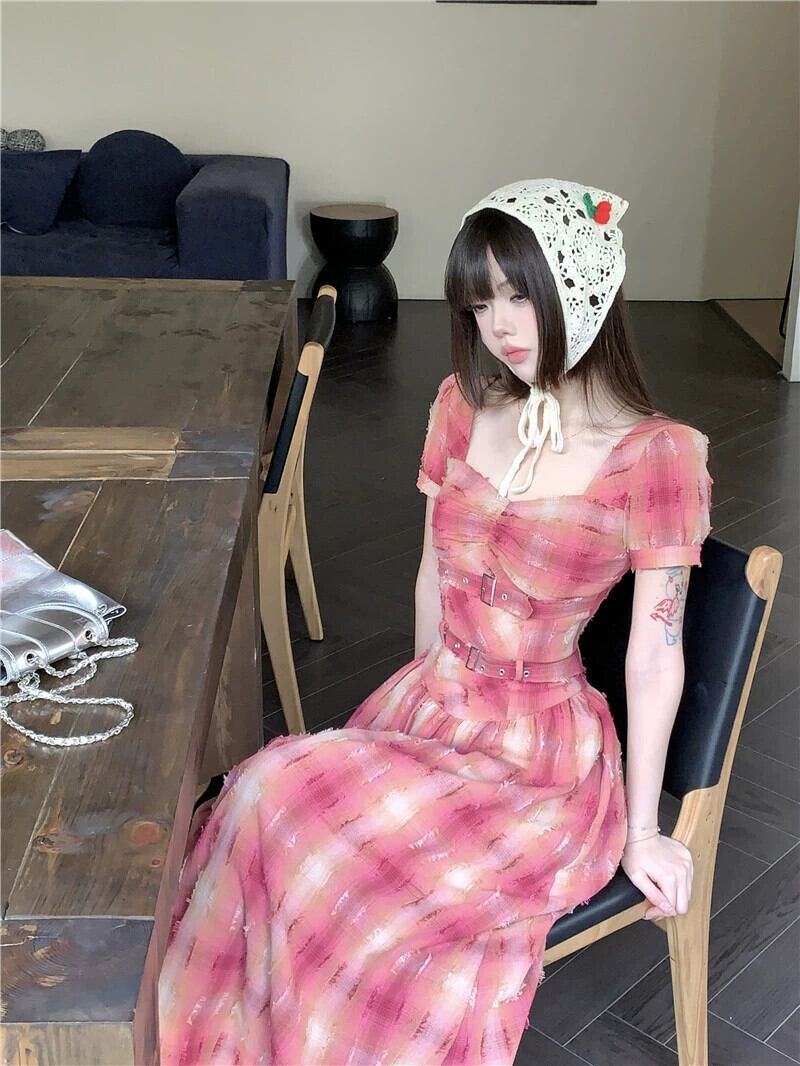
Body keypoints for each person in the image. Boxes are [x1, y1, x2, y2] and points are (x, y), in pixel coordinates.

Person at [158, 178, 713, 1065]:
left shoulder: (658, 455)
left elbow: (655, 654)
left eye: (519, 294)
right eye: (480, 302)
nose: (499, 325)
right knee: (264, 798)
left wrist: (646, 833)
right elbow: (432, 576)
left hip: (539, 757)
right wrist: (408, 740)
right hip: (434, 703)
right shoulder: (461, 405)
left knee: (356, 893)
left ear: (581, 287)